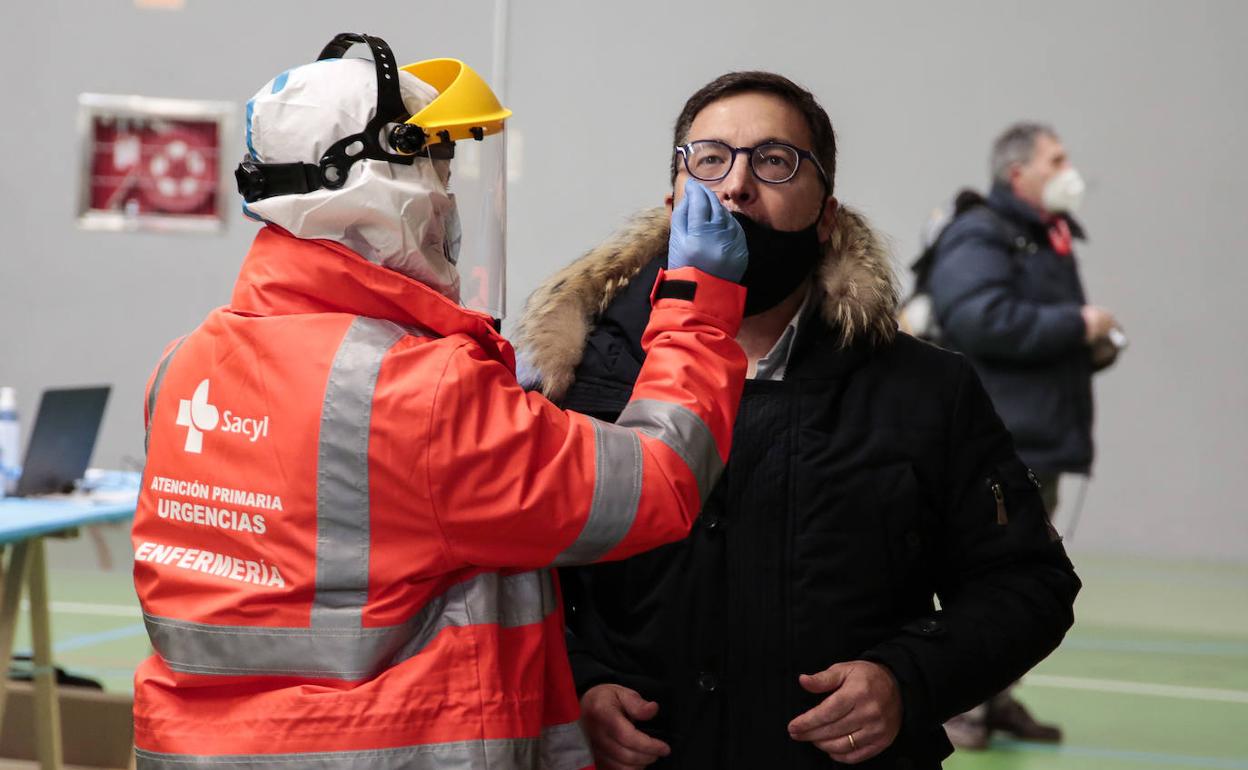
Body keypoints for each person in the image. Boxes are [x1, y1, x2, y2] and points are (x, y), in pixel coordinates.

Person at [130, 33, 753, 768]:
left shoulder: (183, 367)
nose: (449, 198)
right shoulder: (419, 395)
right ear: (383, 188)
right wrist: (698, 310)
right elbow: (659, 481)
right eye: (438, 165)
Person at [514, 72, 1081, 769]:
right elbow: (521, 575)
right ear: (674, 200)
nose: (737, 186)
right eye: (710, 159)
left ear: (827, 214)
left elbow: (1029, 584)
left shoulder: (928, 391)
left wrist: (906, 679)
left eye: (775, 160)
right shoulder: (579, 381)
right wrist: (578, 684)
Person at [924, 122, 1120, 748]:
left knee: (1027, 578)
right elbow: (978, 318)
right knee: (989, 578)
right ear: (1019, 174)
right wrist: (1075, 323)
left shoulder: (1041, 236)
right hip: (1003, 440)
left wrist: (1089, 345)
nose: (1069, 170)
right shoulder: (983, 233)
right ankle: (962, 707)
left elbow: (1027, 332)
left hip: (1042, 435)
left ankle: (995, 697)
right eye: (1056, 159)